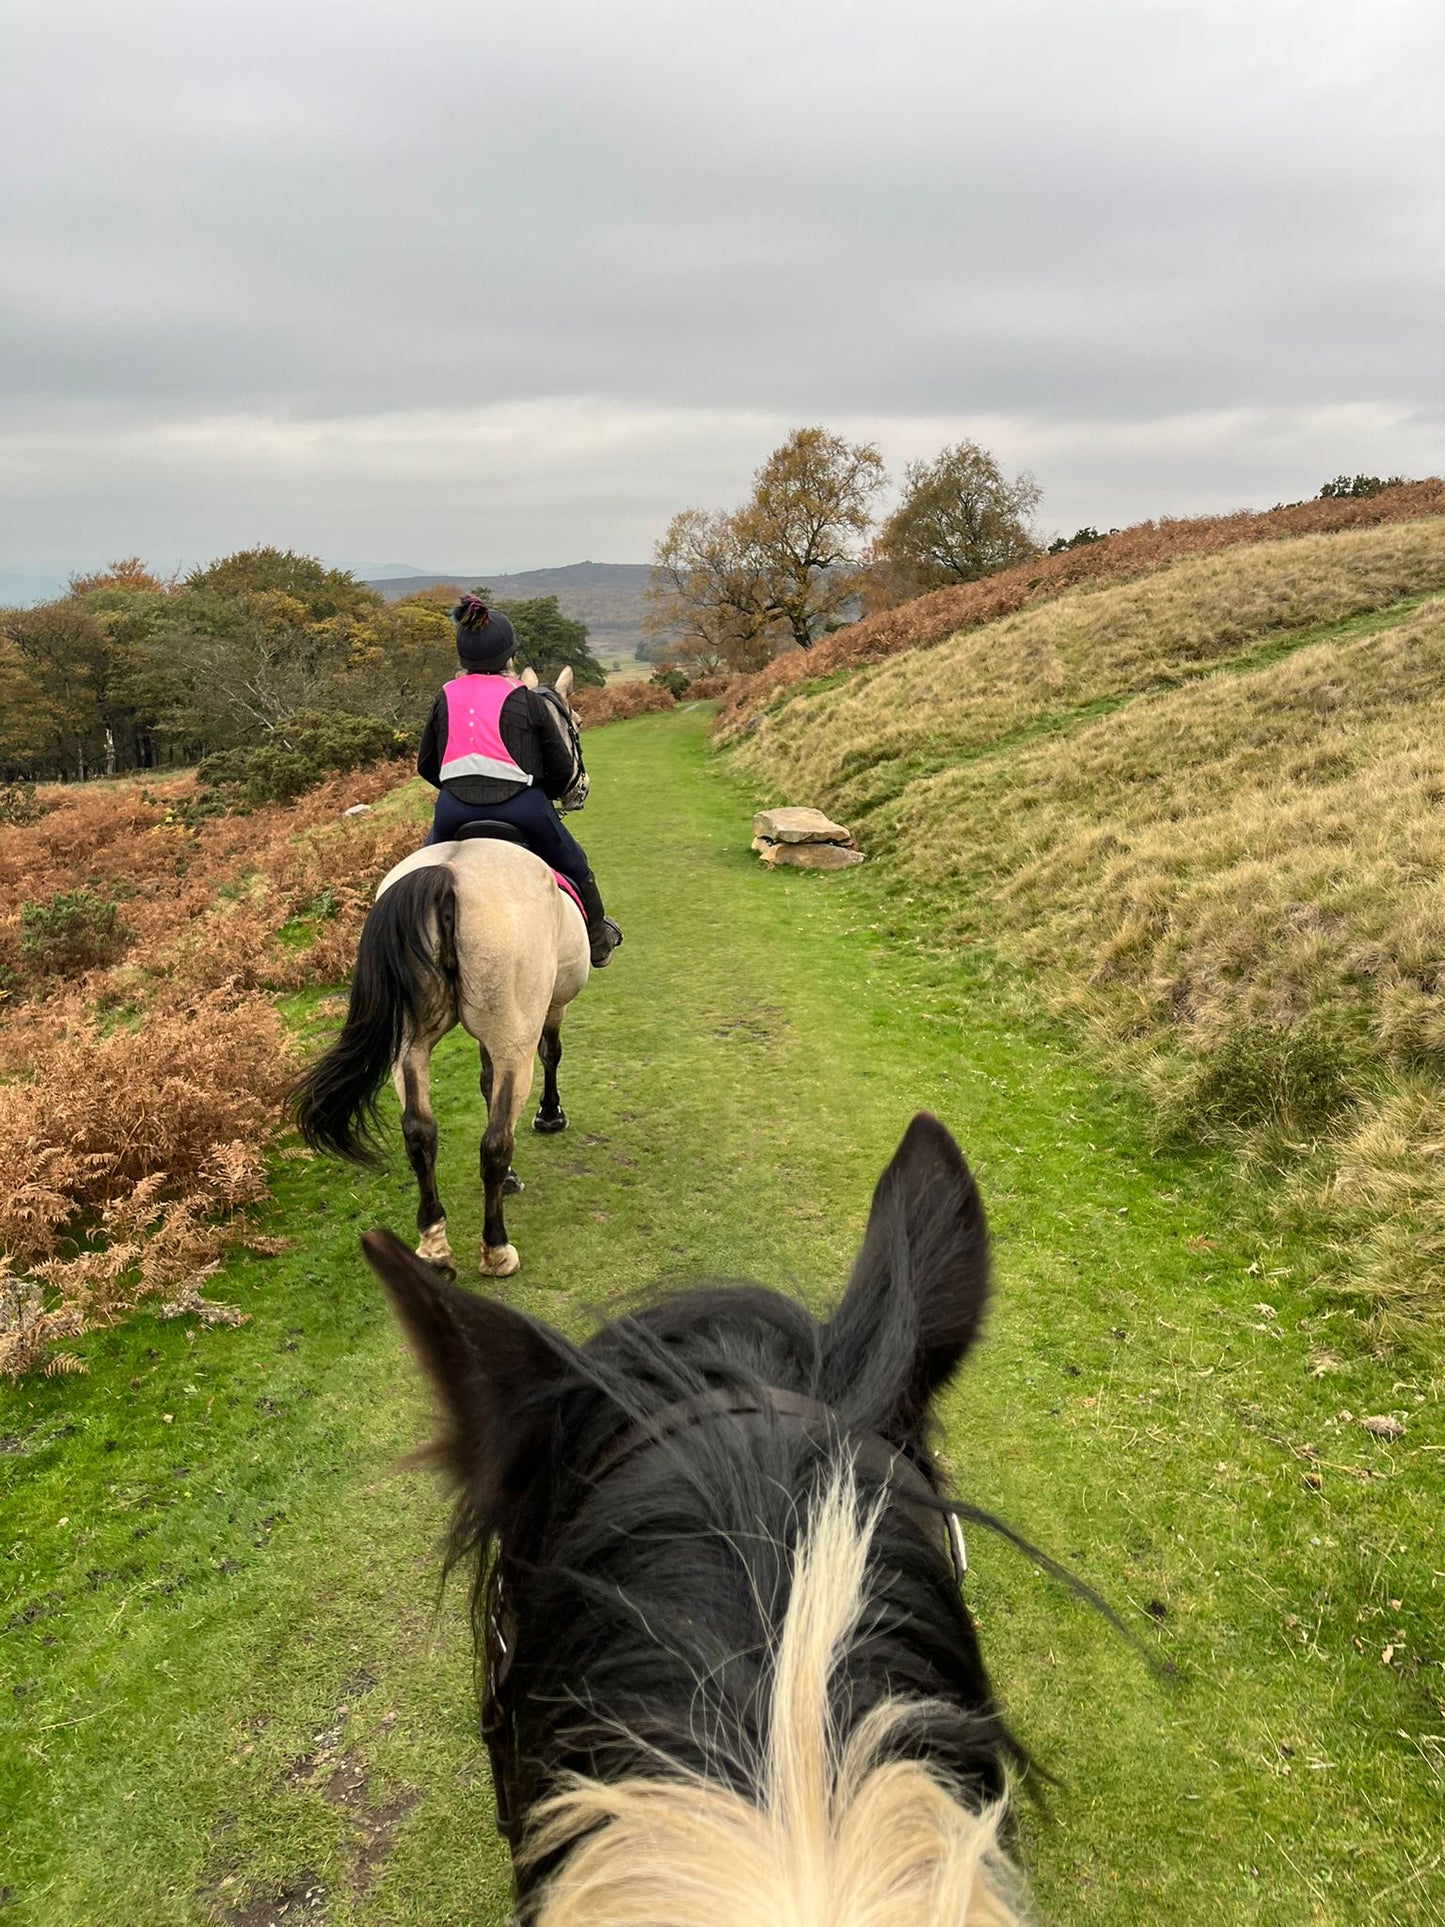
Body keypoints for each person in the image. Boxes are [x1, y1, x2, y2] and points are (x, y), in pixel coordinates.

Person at [417, 596, 622, 967]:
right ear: (508, 657)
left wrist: (459, 787)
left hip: (453, 809)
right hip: (521, 807)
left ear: (464, 657)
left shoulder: (445, 696)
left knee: (417, 871)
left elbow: (426, 764)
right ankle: (598, 941)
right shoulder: (525, 699)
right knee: (575, 864)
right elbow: (561, 771)